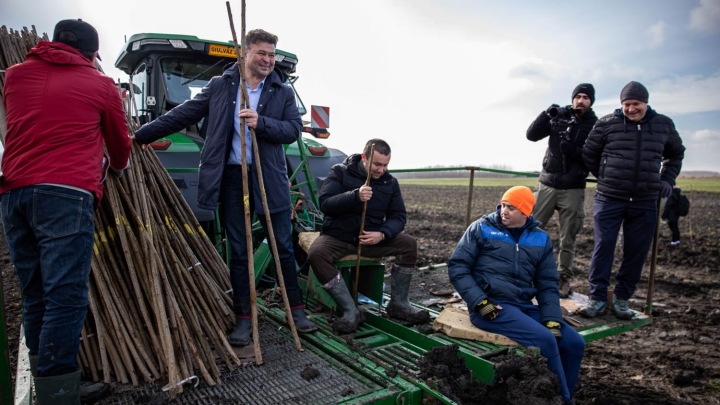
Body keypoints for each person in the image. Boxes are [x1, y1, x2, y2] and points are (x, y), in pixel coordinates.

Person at [133, 29, 318, 346]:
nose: (268, 60)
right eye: (261, 53)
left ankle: (296, 312)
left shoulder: (282, 91)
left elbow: (291, 130)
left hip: (269, 178)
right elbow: (184, 113)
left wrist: (261, 122)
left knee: (282, 247)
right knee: (240, 250)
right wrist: (140, 136)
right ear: (245, 53)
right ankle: (244, 318)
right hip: (234, 179)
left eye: (272, 55)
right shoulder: (221, 85)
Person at [0, 19, 132, 403]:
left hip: (13, 195)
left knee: (35, 293)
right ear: (92, 54)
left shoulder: (15, 76)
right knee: (65, 297)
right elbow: (119, 148)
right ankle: (59, 392)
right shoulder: (101, 84)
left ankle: (44, 381)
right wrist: (117, 166)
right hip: (64, 195)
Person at [448, 186, 584, 405]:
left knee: (575, 342)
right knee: (545, 340)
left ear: (525, 212)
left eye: (511, 208)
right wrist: (479, 301)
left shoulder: (540, 239)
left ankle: (562, 392)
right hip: (492, 307)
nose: (504, 211)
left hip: (523, 305)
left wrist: (552, 319)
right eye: (503, 205)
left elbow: (547, 283)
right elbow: (458, 267)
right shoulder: (481, 228)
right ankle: (563, 400)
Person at [580, 81, 685, 320]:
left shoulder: (663, 125)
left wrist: (667, 179)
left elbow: (676, 154)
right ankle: (597, 298)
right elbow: (589, 152)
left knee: (636, 251)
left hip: (645, 200)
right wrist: (606, 176)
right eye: (626, 104)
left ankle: (621, 299)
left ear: (645, 103)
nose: (630, 109)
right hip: (609, 198)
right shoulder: (607, 123)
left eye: (635, 104)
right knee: (604, 246)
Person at [306, 139, 430, 333]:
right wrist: (354, 196)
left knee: (408, 244)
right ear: (364, 157)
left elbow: (398, 216)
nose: (381, 170)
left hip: (371, 240)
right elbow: (325, 204)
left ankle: (399, 303)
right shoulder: (340, 172)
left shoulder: (390, 182)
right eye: (377, 164)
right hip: (339, 237)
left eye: (385, 165)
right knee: (317, 253)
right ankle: (350, 311)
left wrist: (382, 233)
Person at [526, 83, 598, 298]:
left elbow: (595, 155)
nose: (581, 101)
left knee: (568, 237)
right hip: (547, 183)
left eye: (586, 97)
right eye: (578, 97)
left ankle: (562, 278)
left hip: (573, 187)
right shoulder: (559, 116)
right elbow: (531, 135)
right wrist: (546, 115)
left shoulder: (594, 124)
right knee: (529, 229)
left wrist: (575, 151)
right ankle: (524, 271)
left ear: (591, 101)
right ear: (573, 99)